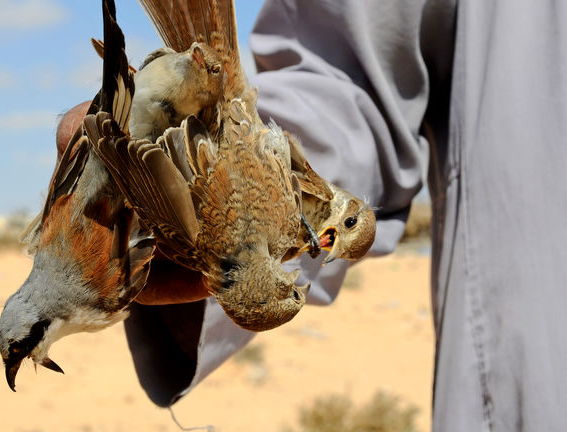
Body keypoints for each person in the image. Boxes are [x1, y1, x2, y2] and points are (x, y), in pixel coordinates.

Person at [57, 1, 567, 429]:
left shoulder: (293, 234)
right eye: (338, 233)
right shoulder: (295, 219)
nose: (321, 248)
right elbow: (352, 79)